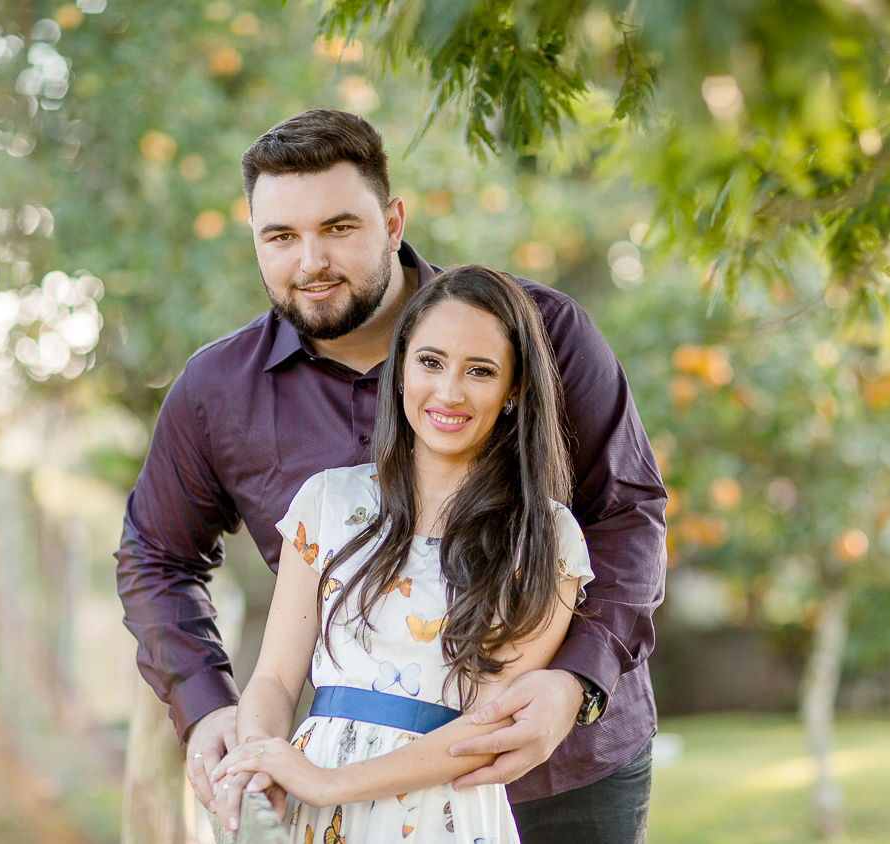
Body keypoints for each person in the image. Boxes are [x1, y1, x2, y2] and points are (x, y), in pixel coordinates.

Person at [115, 108, 666, 843]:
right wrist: (210, 707)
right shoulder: (218, 390)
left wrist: (574, 683)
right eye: (280, 236)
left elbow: (628, 515)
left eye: (339, 228)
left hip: (562, 769)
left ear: (394, 220)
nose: (310, 261)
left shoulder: (547, 333)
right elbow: (154, 556)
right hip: (345, 798)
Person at [208, 265, 594, 842]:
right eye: (430, 362)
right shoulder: (326, 502)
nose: (449, 392)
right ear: (400, 369)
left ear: (514, 389)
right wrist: (265, 760)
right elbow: (275, 678)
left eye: (480, 371)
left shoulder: (546, 537)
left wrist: (330, 784)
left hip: (442, 814)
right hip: (312, 806)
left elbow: (485, 728)